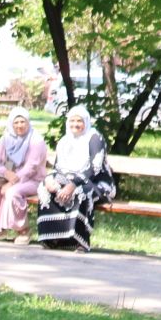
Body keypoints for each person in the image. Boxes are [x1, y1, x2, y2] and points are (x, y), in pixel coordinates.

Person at [35, 105, 115, 252]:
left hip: (97, 183)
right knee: (44, 189)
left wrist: (73, 184)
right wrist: (49, 179)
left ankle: (79, 241)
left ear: (86, 122)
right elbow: (58, 167)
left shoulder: (94, 138)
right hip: (69, 179)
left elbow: (95, 168)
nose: (75, 124)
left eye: (79, 121)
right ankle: (53, 239)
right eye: (72, 121)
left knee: (81, 192)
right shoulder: (65, 141)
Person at [0, 108, 47, 243]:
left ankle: (23, 230)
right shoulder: (7, 139)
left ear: (28, 122)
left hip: (33, 180)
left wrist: (11, 182)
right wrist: (6, 173)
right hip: (9, 178)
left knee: (12, 192)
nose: (19, 125)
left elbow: (31, 168)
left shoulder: (36, 141)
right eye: (16, 122)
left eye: (22, 122)